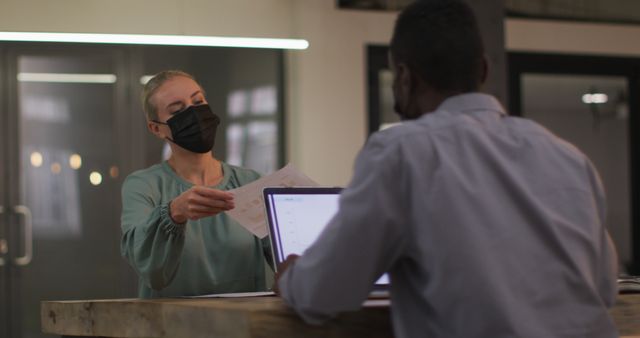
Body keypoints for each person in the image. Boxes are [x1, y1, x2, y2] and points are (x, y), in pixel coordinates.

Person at [275, 1, 619, 337]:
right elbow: (604, 288)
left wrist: (292, 277)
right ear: (483, 70)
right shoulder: (567, 156)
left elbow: (327, 290)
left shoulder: (402, 152)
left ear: (405, 77)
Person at [121, 70, 273, 298]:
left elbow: (289, 258)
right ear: (156, 128)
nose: (193, 112)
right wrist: (173, 213)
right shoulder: (144, 186)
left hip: (242, 327)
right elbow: (150, 269)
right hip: (168, 327)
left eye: (198, 101)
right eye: (177, 110)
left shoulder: (250, 183)